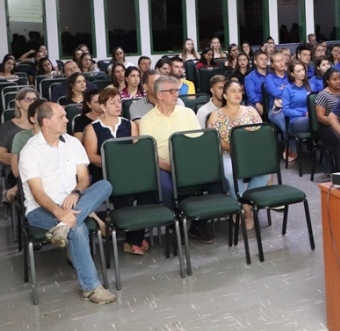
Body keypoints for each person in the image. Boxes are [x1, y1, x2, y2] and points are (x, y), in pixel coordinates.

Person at [18, 102, 116, 304]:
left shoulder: (72, 142)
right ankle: (91, 288)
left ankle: (63, 227)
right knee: (77, 230)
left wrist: (76, 192)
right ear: (46, 122)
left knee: (104, 184)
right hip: (41, 209)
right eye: (61, 117)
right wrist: (58, 212)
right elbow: (37, 193)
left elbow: (84, 177)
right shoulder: (30, 151)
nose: (66, 119)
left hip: (74, 202)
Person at [138, 75, 219, 243]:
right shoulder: (147, 120)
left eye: (177, 90)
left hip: (188, 163)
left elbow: (197, 143)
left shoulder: (187, 113)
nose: (176, 94)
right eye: (172, 91)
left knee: (218, 180)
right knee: (165, 187)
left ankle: (199, 224)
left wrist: (188, 166)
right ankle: (174, 223)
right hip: (163, 166)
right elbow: (149, 155)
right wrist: (171, 167)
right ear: (159, 95)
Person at [82, 87, 147, 255]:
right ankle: (134, 240)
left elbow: (136, 150)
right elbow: (91, 156)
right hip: (105, 173)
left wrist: (126, 166)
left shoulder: (129, 124)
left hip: (129, 170)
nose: (118, 106)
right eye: (113, 103)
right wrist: (114, 164)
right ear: (103, 107)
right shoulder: (92, 128)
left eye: (119, 102)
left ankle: (134, 239)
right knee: (121, 192)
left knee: (149, 191)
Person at [207, 80, 270, 231]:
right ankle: (248, 212)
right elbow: (215, 141)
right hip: (228, 154)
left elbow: (260, 134)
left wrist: (247, 150)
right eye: (233, 91)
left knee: (265, 171)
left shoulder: (251, 111)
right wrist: (236, 149)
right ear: (225, 95)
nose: (237, 94)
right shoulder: (215, 115)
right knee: (230, 172)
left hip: (250, 153)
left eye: (239, 91)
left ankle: (244, 203)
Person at [0, 87, 38, 204]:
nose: (32, 102)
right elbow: (1, 155)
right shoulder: (8, 127)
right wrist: (23, 158)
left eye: (35, 99)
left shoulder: (42, 124)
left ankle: (14, 190)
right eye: (28, 99)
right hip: (15, 169)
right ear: (18, 103)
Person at [315, 68, 340, 173]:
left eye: (339, 78)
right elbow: (320, 117)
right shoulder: (323, 95)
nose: (338, 81)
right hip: (327, 127)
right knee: (338, 139)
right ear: (328, 81)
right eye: (334, 79)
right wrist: (335, 123)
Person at [264, 52, 291, 156]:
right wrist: (288, 91)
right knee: (286, 126)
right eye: (277, 61)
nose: (281, 63)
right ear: (272, 64)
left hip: (291, 106)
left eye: (282, 60)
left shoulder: (289, 75)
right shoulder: (269, 78)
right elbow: (274, 92)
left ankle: (293, 148)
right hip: (276, 110)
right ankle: (291, 149)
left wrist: (283, 89)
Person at [283, 61, 312, 136]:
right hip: (297, 119)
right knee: (317, 121)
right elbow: (286, 111)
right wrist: (303, 114)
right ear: (292, 74)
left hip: (312, 116)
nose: (302, 73)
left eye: (303, 70)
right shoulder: (288, 89)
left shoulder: (310, 85)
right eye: (298, 71)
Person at [244, 50, 269, 116]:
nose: (264, 61)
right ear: (255, 62)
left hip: (270, 102)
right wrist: (257, 103)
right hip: (255, 103)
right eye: (261, 59)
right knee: (253, 111)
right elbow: (251, 93)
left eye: (266, 59)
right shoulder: (249, 77)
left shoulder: (272, 74)